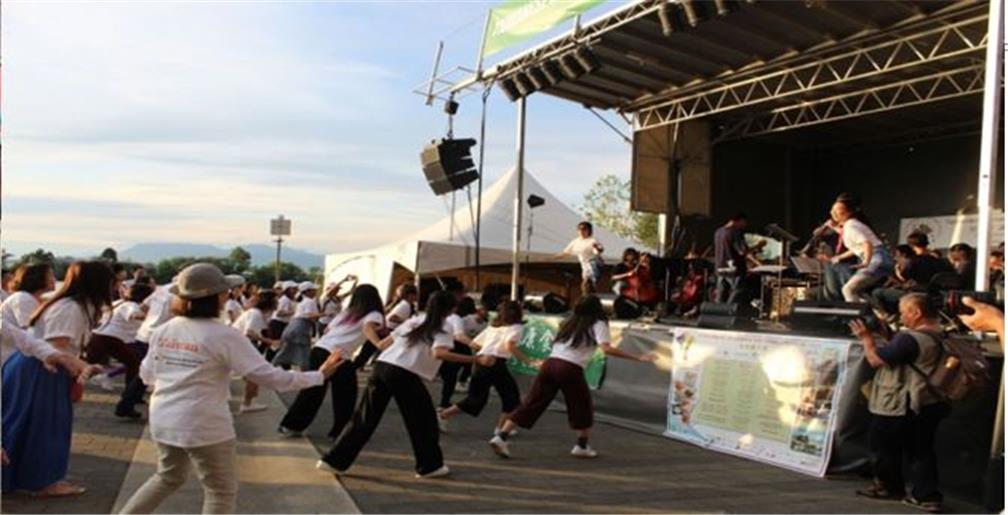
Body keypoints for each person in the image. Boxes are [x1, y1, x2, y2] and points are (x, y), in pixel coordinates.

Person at [118, 263, 345, 514]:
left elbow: (147, 374)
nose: (228, 294)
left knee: (167, 477)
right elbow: (267, 376)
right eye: (225, 291)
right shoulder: (223, 335)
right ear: (216, 296)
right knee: (220, 491)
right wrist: (318, 376)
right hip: (205, 423)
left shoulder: (163, 330)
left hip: (163, 418)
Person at [316, 291, 494, 478]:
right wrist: (476, 360)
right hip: (403, 373)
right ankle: (430, 466)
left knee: (365, 417)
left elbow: (384, 344)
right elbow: (439, 353)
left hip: (382, 367)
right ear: (451, 309)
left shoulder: (414, 321)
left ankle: (333, 460)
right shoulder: (444, 326)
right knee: (423, 420)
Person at [489, 295, 656, 459]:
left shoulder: (569, 322)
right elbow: (606, 349)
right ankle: (581, 445)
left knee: (532, 402)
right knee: (581, 405)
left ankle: (501, 436)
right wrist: (637, 357)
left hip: (550, 364)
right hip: (569, 367)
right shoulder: (598, 324)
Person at [2, 261, 115, 496]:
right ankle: (43, 481)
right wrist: (80, 370)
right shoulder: (72, 308)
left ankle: (25, 479)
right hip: (42, 369)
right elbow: (57, 347)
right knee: (45, 427)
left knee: (25, 425)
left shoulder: (71, 305)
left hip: (36, 366)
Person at [848, 293, 948, 512]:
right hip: (930, 400)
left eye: (904, 312)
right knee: (921, 449)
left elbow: (875, 360)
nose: (901, 317)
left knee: (883, 445)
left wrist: (866, 339)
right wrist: (886, 334)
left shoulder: (910, 338)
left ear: (917, 312)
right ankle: (927, 495)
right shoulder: (940, 334)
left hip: (901, 402)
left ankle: (890, 487)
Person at [278, 284, 385, 440]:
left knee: (313, 389)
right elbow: (368, 328)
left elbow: (328, 329)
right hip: (337, 354)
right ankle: (340, 431)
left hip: (320, 349)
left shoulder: (348, 312)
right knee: (345, 394)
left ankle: (290, 425)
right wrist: (380, 344)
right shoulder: (374, 314)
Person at [438, 300, 535, 435]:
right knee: (511, 397)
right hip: (496, 363)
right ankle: (500, 430)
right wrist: (529, 361)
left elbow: (476, 344)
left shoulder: (493, 327)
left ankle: (443, 415)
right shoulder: (517, 327)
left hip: (481, 360)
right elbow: (510, 345)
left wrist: (491, 347)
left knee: (476, 399)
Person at [87, 282, 154, 418]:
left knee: (85, 366)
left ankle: (131, 398)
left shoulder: (120, 302)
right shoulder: (131, 306)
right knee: (134, 365)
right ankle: (128, 401)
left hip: (101, 336)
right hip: (110, 338)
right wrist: (155, 316)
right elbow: (134, 315)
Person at [117, 276, 177, 419]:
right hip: (158, 337)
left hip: (144, 334)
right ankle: (125, 405)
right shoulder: (178, 294)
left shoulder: (161, 290)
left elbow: (144, 307)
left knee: (145, 370)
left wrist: (151, 319)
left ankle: (131, 401)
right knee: (145, 372)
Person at [828, 197, 894, 302]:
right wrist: (838, 257)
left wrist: (866, 262)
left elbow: (867, 244)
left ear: (848, 212)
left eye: (837, 210)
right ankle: (882, 314)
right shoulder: (851, 225)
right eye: (832, 210)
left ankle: (856, 317)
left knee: (848, 289)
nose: (833, 213)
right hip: (881, 259)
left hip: (875, 259)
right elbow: (857, 248)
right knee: (859, 291)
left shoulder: (851, 226)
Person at [872, 233, 953, 316]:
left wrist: (897, 271)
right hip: (939, 294)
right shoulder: (942, 261)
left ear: (911, 246)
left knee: (877, 292)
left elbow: (903, 279)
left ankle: (891, 316)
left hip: (917, 294)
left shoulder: (912, 261)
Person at [231, 290, 283, 414]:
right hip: (241, 345)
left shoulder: (257, 313)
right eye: (276, 300)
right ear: (269, 302)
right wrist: (270, 341)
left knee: (252, 375)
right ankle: (247, 403)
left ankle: (248, 402)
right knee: (254, 375)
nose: (278, 302)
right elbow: (249, 332)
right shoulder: (255, 314)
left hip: (240, 345)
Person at [438, 285, 480, 413]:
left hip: (443, 346)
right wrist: (476, 346)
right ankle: (443, 404)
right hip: (450, 347)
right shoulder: (455, 318)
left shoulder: (442, 316)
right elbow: (459, 336)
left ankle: (444, 402)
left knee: (449, 375)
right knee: (450, 377)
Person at [354, 282, 416, 369]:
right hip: (388, 331)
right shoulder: (405, 305)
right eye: (414, 295)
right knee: (370, 351)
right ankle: (356, 366)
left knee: (370, 351)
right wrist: (406, 322)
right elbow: (392, 318)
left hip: (386, 330)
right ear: (410, 295)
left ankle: (359, 365)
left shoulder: (404, 304)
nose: (415, 297)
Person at [273, 282, 319, 371]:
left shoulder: (300, 301)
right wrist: (324, 314)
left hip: (292, 326)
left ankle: (277, 367)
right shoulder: (309, 301)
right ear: (307, 291)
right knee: (303, 351)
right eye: (313, 290)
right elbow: (309, 315)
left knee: (287, 349)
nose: (315, 292)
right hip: (297, 326)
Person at [1, 262, 56, 329]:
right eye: (51, 275)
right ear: (38, 278)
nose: (54, 280)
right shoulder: (23, 298)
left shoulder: (31, 298)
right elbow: (28, 331)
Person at [558, 221, 605, 296]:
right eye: (579, 229)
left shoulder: (592, 240)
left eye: (584, 229)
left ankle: (593, 292)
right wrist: (555, 257)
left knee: (589, 280)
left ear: (589, 231)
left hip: (592, 263)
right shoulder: (576, 241)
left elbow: (599, 251)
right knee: (585, 281)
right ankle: (587, 295)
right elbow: (566, 252)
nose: (581, 231)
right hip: (584, 264)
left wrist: (597, 248)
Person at [714, 213, 750, 304]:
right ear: (740, 220)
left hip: (720, 266)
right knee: (738, 290)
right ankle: (729, 311)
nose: (745, 225)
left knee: (721, 292)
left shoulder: (718, 232)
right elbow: (742, 251)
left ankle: (718, 312)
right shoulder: (735, 232)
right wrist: (756, 247)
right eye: (744, 222)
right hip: (734, 268)